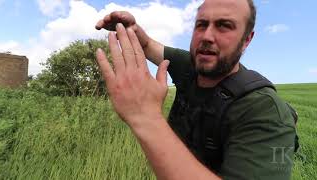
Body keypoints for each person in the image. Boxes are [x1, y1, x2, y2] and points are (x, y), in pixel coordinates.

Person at [95, 0, 297, 179]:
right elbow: (148, 45)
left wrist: (145, 116)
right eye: (201, 25)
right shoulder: (190, 66)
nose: (207, 36)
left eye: (224, 26)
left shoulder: (266, 111)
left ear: (247, 39)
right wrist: (131, 29)